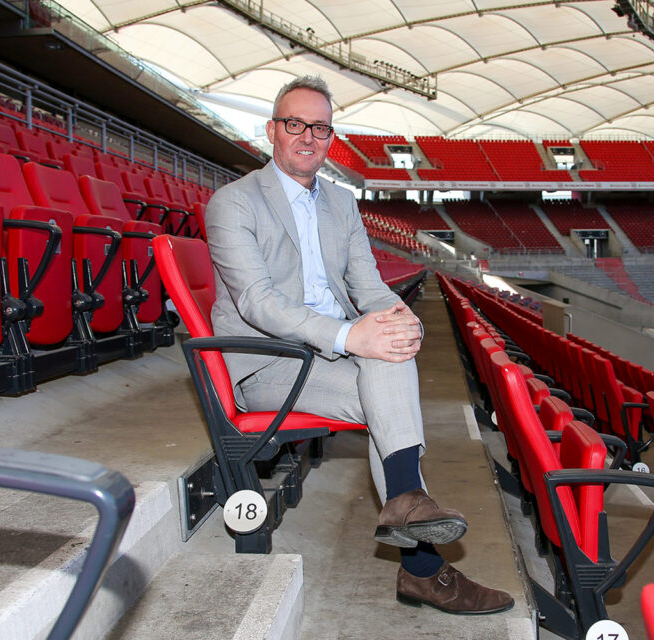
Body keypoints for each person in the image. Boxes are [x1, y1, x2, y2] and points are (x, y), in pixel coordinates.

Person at [204, 75, 512, 615]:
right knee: (381, 367)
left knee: (389, 349)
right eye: (295, 124)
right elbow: (257, 302)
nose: (308, 136)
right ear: (272, 131)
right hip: (268, 361)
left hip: (330, 355)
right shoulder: (234, 202)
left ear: (330, 137)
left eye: (320, 128)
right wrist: (351, 335)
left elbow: (368, 287)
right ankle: (421, 563)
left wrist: (402, 322)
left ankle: (409, 518)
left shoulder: (342, 203)